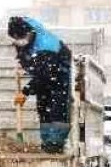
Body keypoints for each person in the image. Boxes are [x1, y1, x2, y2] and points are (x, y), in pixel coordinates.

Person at [7, 16, 73, 153]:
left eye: (21, 38)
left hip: (59, 79)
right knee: (43, 109)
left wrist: (25, 91)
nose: (19, 42)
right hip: (44, 78)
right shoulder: (26, 35)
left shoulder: (47, 45)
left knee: (56, 110)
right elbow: (28, 58)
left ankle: (55, 144)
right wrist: (22, 64)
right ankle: (47, 143)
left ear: (29, 33)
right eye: (16, 39)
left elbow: (46, 75)